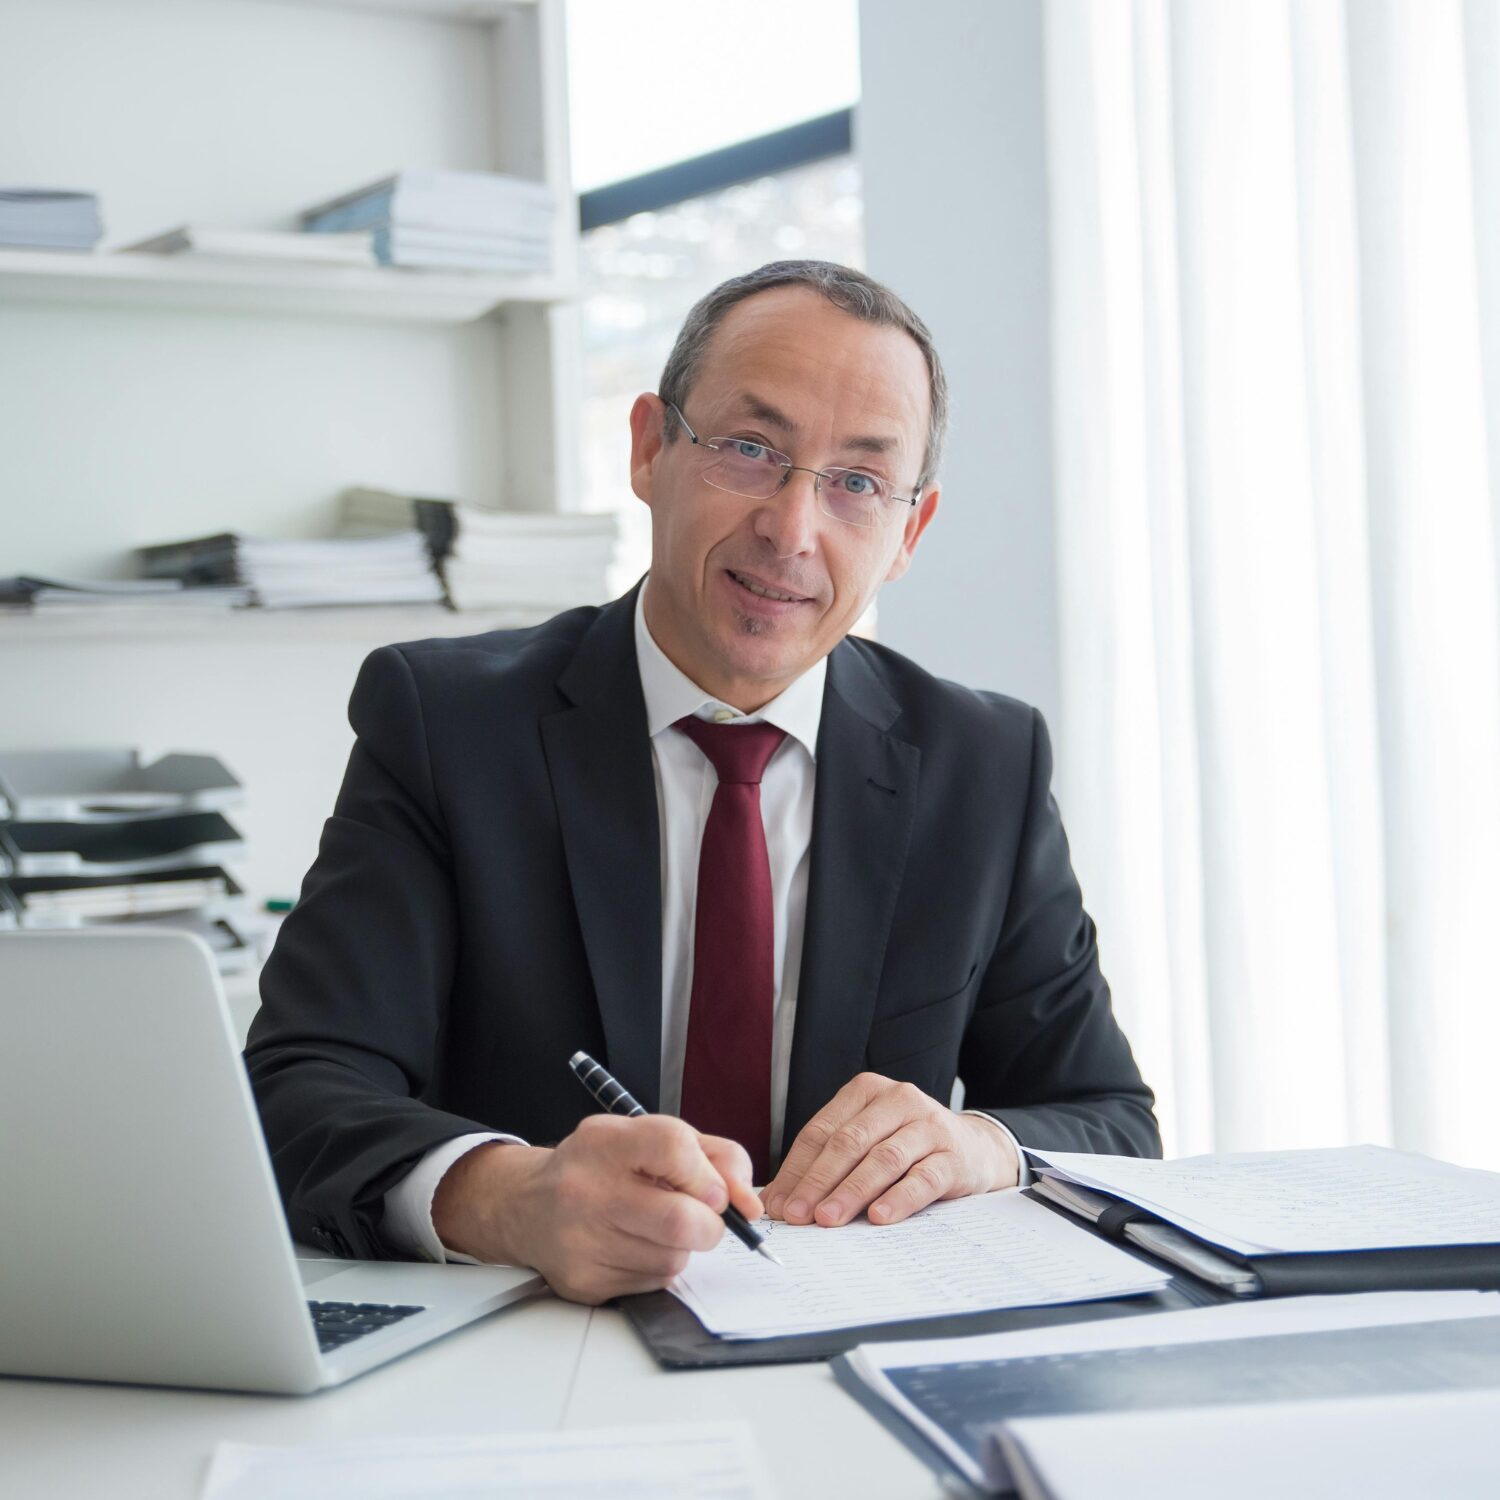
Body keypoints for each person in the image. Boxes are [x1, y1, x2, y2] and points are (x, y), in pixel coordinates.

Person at [245, 260, 1159, 1306]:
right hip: (531, 1357)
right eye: (751, 449)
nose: (792, 529)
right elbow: (297, 1094)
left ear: (909, 532)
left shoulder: (982, 762)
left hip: (856, 1353)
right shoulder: (447, 724)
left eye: (858, 482)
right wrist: (513, 1198)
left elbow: (1110, 1116)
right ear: (648, 447)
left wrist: (978, 1144)